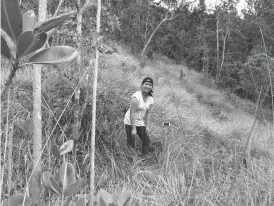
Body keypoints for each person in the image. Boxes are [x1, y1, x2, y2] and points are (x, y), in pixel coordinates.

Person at [124, 77, 154, 155]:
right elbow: (132, 112)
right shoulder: (136, 97)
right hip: (130, 121)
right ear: (142, 85)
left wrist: (147, 126)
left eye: (150, 85)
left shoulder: (150, 99)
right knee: (131, 143)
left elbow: (148, 113)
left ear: (152, 87)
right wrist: (133, 128)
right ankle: (129, 160)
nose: (148, 86)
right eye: (146, 84)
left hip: (140, 121)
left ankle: (144, 157)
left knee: (146, 140)